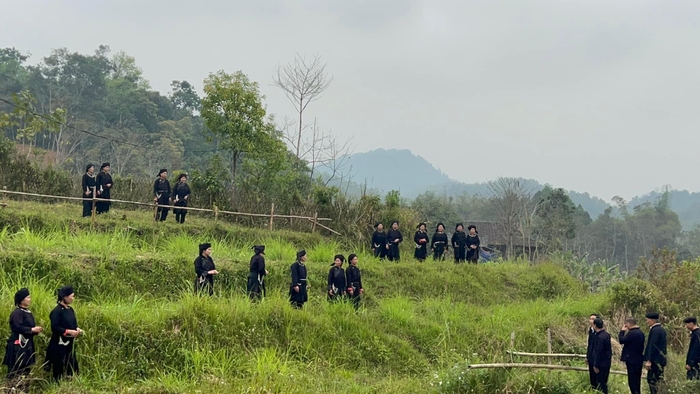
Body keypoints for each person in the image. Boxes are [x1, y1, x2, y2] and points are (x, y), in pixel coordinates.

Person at [3, 288, 43, 391]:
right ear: (22, 300)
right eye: (28, 297)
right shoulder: (17, 313)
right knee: (15, 369)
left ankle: (23, 389)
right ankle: (11, 389)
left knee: (26, 369)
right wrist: (31, 329)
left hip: (27, 345)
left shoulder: (28, 312)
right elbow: (17, 327)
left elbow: (27, 328)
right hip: (18, 345)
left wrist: (34, 331)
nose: (30, 299)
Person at [44, 286, 82, 383]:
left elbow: (73, 323)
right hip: (59, 343)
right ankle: (57, 384)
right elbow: (55, 327)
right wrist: (68, 331)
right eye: (71, 296)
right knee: (59, 365)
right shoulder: (56, 311)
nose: (73, 298)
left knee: (71, 363)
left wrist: (77, 329)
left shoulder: (70, 310)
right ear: (64, 297)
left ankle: (70, 383)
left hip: (70, 343)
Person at [619, 317, 645, 394]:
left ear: (629, 324)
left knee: (633, 381)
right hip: (638, 359)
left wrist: (622, 331)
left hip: (632, 360)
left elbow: (622, 340)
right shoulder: (640, 333)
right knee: (637, 381)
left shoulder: (632, 333)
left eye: (626, 324)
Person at [643, 312, 667, 394]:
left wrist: (649, 360)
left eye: (648, 320)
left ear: (652, 320)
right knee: (658, 379)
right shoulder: (661, 329)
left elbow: (653, 345)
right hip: (660, 359)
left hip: (655, 360)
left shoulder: (655, 330)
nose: (647, 322)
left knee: (652, 380)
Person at [592, 317, 612, 394]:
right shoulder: (606, 334)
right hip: (606, 362)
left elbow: (598, 351)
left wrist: (596, 365)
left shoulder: (600, 337)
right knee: (603, 381)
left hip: (601, 363)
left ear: (595, 325)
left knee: (600, 382)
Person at [585, 313, 599, 390]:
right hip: (591, 357)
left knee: (598, 378)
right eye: (590, 318)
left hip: (597, 358)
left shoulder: (599, 332)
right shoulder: (591, 330)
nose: (591, 320)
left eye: (593, 319)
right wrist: (587, 356)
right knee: (592, 377)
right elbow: (589, 345)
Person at [684, 316, 700, 380]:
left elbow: (695, 350)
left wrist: (690, 363)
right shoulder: (696, 333)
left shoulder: (696, 334)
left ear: (691, 323)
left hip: (695, 364)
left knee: (692, 378)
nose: (686, 326)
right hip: (696, 362)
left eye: (687, 324)